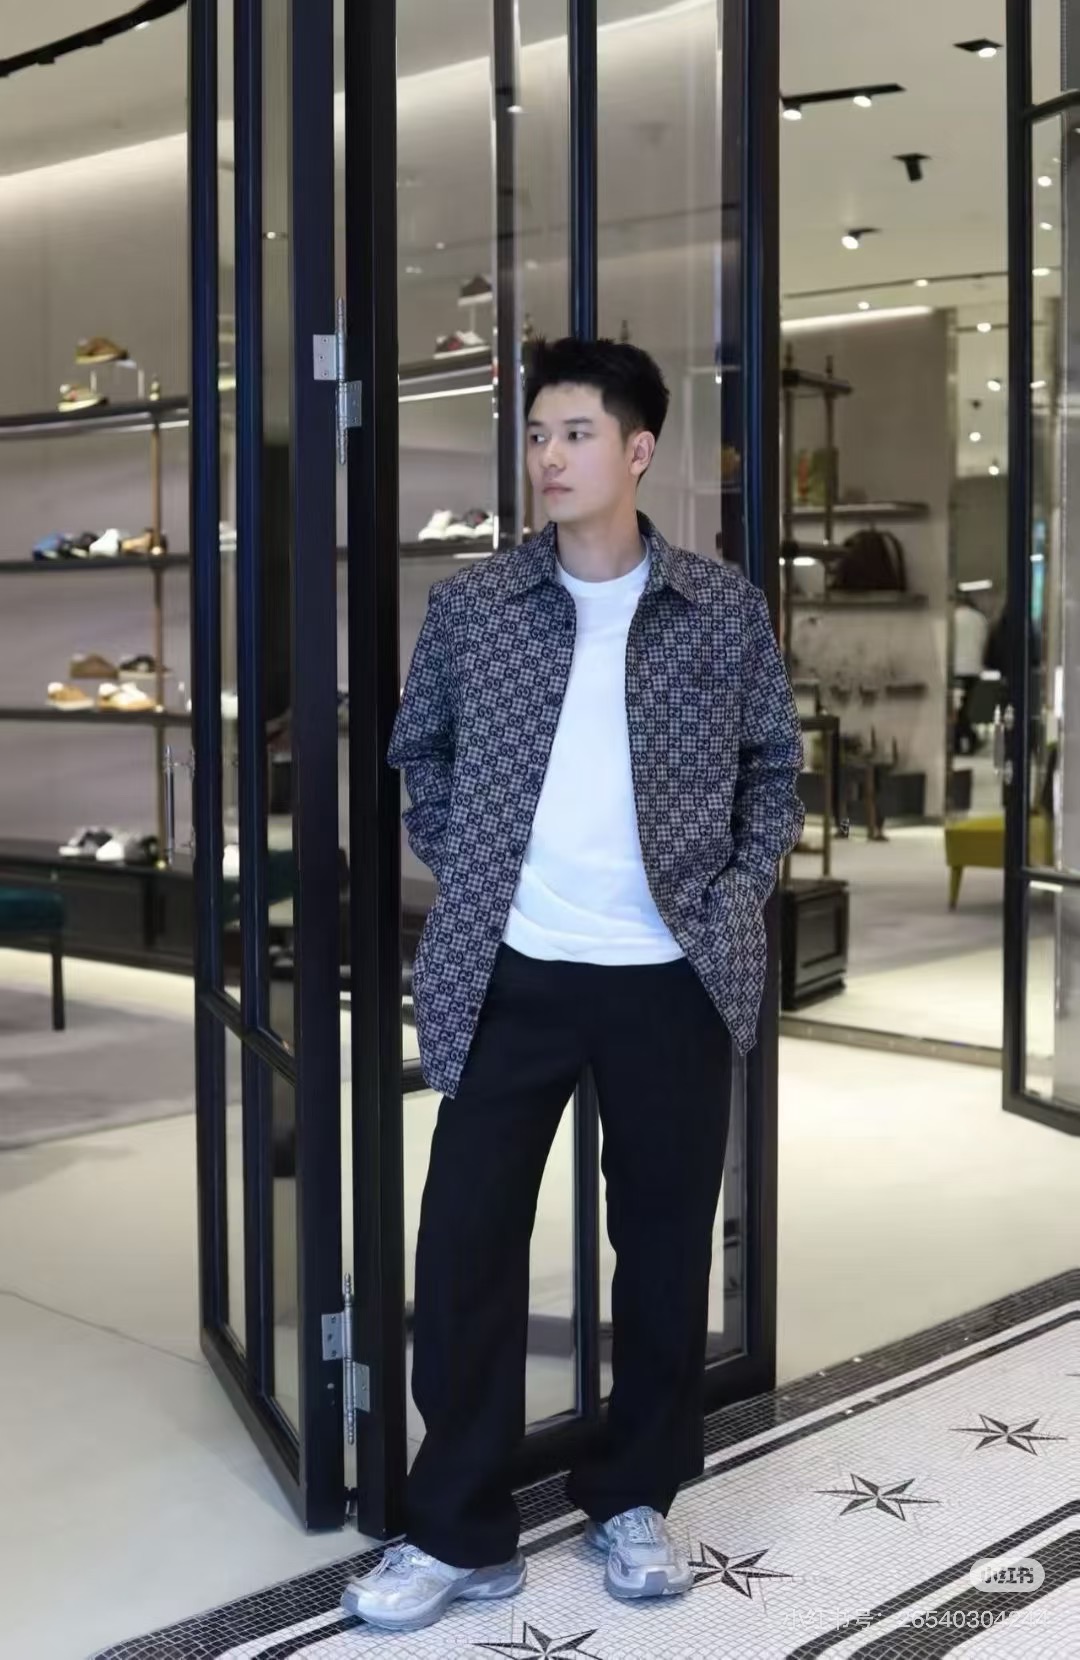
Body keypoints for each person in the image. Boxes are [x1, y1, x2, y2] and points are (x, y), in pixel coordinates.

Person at [342, 337, 805, 1635]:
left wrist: (732, 893)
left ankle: (633, 1496)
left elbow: (775, 769)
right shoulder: (478, 605)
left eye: (577, 433)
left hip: (671, 975)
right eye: (538, 434)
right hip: (515, 970)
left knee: (660, 1248)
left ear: (638, 449)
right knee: (465, 1246)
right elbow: (420, 750)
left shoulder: (720, 609)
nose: (549, 456)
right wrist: (478, 862)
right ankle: (457, 1527)